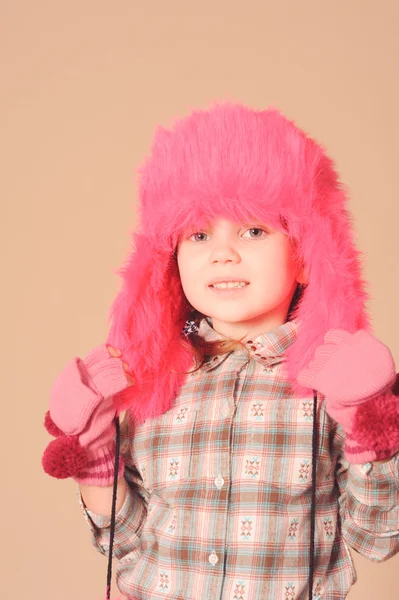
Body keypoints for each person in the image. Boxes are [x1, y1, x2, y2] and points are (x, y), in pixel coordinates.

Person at [42, 102, 399, 600]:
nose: (222, 252)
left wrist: (368, 421)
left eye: (253, 230)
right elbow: (122, 540)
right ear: (171, 260)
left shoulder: (328, 382)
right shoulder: (156, 384)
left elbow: (378, 538)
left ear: (305, 255)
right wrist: (95, 451)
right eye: (199, 233)